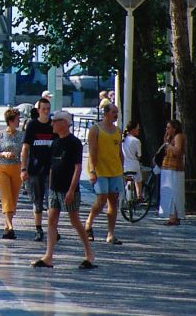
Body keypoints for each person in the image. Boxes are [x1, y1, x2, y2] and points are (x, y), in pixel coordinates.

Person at [31, 110, 96, 270]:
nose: (52, 124)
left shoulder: (74, 143)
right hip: (54, 188)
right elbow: (53, 166)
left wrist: (71, 190)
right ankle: (48, 256)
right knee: (51, 221)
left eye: (55, 121)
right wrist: (51, 186)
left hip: (69, 189)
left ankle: (89, 254)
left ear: (64, 123)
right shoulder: (55, 142)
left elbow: (78, 168)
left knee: (75, 221)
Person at [84, 103, 124, 245]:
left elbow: (120, 152)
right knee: (101, 199)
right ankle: (88, 223)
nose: (116, 115)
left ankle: (111, 234)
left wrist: (122, 171)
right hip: (100, 170)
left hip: (115, 171)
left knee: (114, 200)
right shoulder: (96, 129)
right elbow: (92, 151)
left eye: (117, 112)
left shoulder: (118, 131)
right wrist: (92, 171)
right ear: (106, 113)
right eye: (114, 112)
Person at [21, 96, 55, 242]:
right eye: (43, 109)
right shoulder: (32, 125)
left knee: (52, 201)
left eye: (48, 109)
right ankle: (38, 228)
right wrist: (23, 168)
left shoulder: (53, 125)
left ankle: (53, 229)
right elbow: (25, 147)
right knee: (37, 201)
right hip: (35, 169)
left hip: (51, 169)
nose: (46, 112)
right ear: (38, 110)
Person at [0, 108, 24, 239]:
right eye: (17, 119)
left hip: (16, 167)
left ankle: (7, 229)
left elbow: (25, 151)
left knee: (13, 198)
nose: (19, 122)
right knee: (6, 197)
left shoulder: (21, 135)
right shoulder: (0, 135)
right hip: (2, 167)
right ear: (10, 121)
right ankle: (10, 225)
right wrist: (3, 153)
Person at [159, 119, 186, 225]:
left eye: (169, 127)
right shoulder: (171, 138)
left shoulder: (179, 137)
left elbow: (178, 151)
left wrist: (168, 145)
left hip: (175, 169)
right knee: (169, 193)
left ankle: (175, 216)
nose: (167, 129)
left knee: (174, 193)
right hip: (168, 168)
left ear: (174, 128)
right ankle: (172, 215)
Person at [122, 120, 143, 200]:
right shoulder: (136, 141)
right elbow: (139, 155)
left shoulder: (123, 140)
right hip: (134, 165)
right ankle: (139, 195)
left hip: (124, 165)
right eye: (137, 129)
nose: (139, 130)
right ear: (133, 130)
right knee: (138, 178)